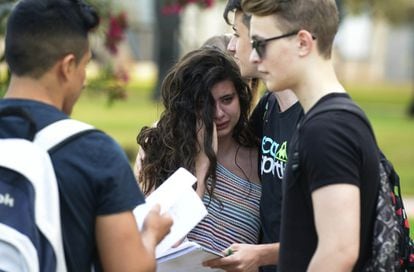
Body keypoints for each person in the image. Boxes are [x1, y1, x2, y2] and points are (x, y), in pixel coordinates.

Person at [0, 0, 172, 271]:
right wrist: (152, 233)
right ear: (67, 66)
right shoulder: (95, 153)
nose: (83, 77)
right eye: (85, 65)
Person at [242, 0, 380, 271]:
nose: (253, 58)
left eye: (260, 44)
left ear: (303, 43)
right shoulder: (330, 120)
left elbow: (338, 251)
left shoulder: (328, 130)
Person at [204, 1, 303, 271]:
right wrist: (160, 135)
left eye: (237, 34)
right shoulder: (270, 107)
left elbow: (337, 239)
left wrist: (261, 255)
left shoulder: (318, 123)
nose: (232, 46)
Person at [136, 48, 262, 252]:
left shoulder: (261, 159)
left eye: (227, 99)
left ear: (241, 97)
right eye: (205, 104)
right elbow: (160, 244)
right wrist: (201, 168)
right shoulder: (163, 150)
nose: (219, 113)